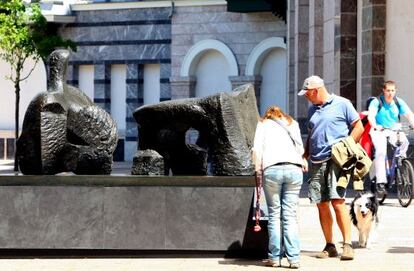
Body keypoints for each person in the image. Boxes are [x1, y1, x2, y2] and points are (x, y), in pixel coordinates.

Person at [298, 75, 364, 261]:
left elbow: (358, 127)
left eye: (307, 94)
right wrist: (305, 155)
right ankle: (330, 245)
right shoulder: (312, 110)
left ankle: (348, 245)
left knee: (338, 201)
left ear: (316, 90)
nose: (306, 97)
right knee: (321, 204)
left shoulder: (342, 104)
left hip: (336, 161)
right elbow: (311, 135)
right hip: (316, 162)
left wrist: (348, 147)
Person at [252, 106, 308, 269]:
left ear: (268, 115)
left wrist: (257, 168)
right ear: (282, 115)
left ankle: (275, 258)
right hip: (294, 169)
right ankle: (294, 258)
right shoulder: (292, 123)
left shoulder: (263, 124)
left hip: (272, 169)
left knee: (275, 215)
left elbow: (257, 149)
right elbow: (300, 148)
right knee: (290, 215)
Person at [367, 80, 414, 193]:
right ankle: (381, 181)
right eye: (388, 90)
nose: (390, 93)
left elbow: (409, 114)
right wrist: (375, 125)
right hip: (379, 130)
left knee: (404, 142)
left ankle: (401, 163)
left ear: (395, 91)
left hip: (393, 129)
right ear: (384, 90)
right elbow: (371, 116)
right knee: (381, 152)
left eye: (392, 90)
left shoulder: (398, 102)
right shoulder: (376, 102)